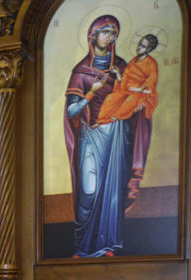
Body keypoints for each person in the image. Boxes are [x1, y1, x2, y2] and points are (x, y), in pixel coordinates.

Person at [64, 15, 153, 258]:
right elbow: (71, 111)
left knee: (112, 191)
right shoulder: (81, 72)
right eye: (104, 32)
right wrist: (91, 93)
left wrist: (138, 102)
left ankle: (108, 246)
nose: (109, 37)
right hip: (91, 135)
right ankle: (84, 247)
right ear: (93, 35)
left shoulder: (122, 67)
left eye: (113, 33)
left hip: (116, 133)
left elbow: (133, 95)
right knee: (89, 191)